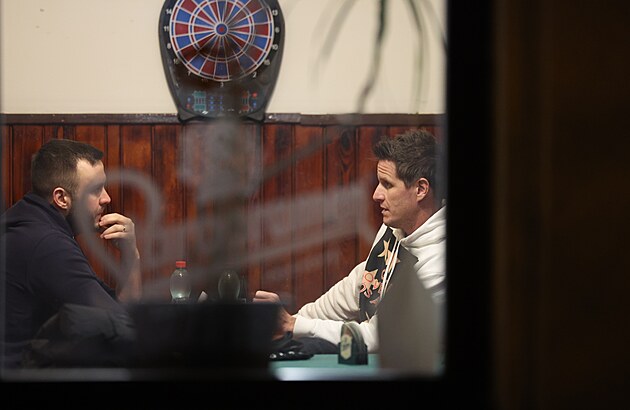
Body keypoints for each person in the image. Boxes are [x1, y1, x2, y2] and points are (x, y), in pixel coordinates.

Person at [254, 129, 446, 354]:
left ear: (421, 189)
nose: (376, 195)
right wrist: (288, 322)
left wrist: (293, 325)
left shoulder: (439, 260)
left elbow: (379, 337)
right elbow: (360, 284)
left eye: (387, 184)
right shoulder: (395, 227)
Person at [0, 139, 142, 368]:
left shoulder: (31, 222)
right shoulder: (46, 244)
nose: (107, 198)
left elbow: (117, 315)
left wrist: (130, 255)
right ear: (61, 198)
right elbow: (123, 331)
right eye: (95, 190)